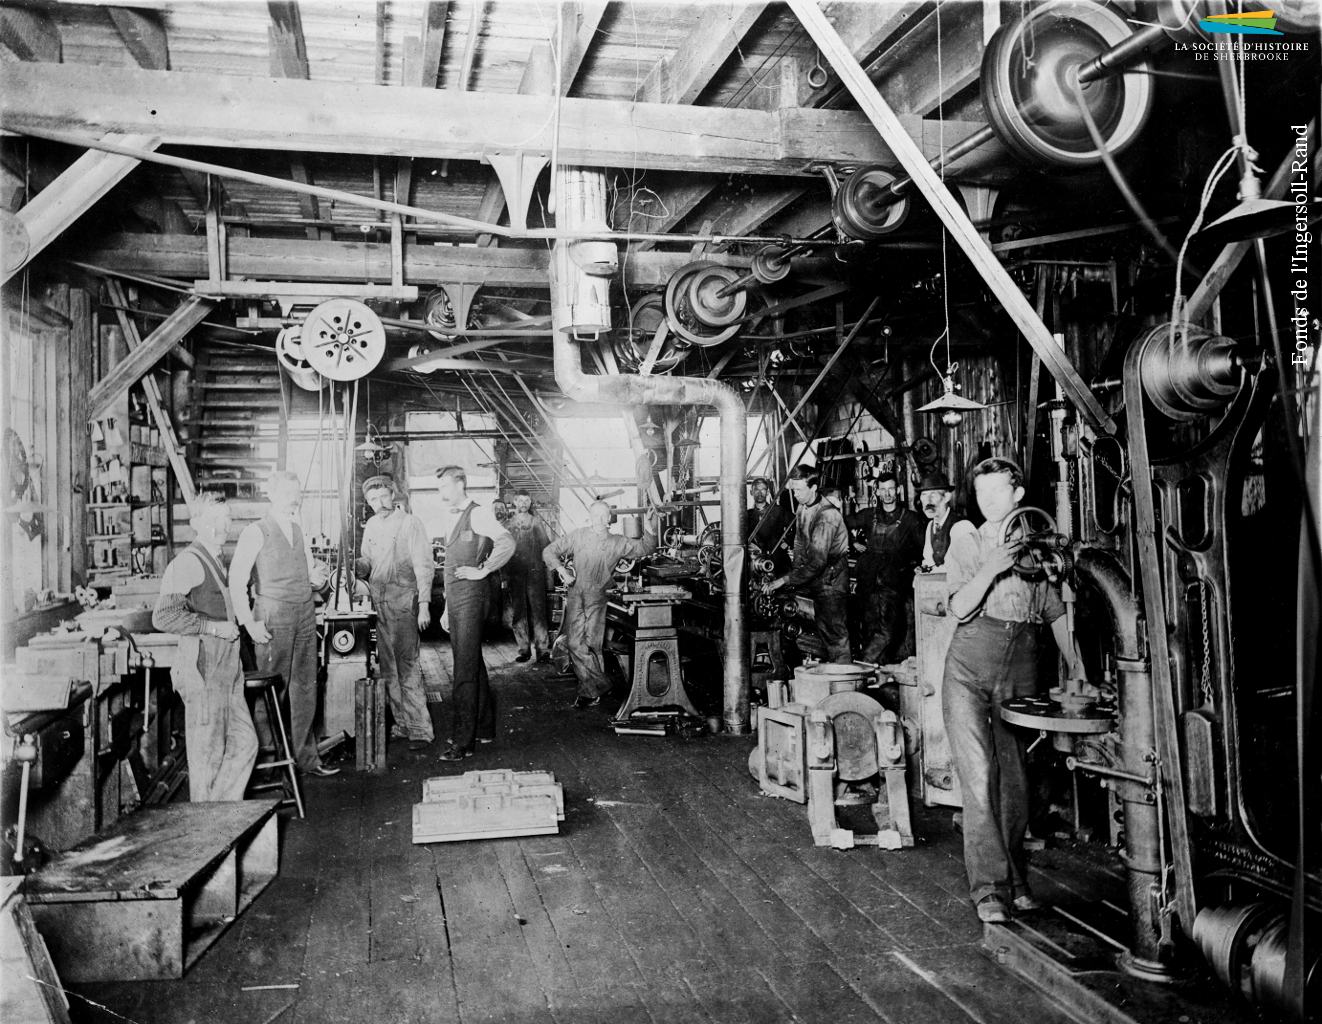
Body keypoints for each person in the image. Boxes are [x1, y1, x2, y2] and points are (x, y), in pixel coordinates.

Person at [942, 457, 1083, 924]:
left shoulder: (1036, 551)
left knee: (1016, 784)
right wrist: (990, 567)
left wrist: (1078, 667)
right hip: (968, 670)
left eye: (997, 492)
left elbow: (1056, 616)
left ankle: (1016, 878)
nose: (987, 502)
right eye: (980, 494)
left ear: (1018, 495)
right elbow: (960, 607)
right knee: (980, 781)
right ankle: (989, 891)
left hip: (1021, 670)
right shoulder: (967, 542)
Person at [230, 471, 338, 777]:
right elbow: (236, 580)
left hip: (304, 612)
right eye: (289, 492)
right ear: (271, 494)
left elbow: (306, 572)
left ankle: (308, 759)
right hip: (273, 615)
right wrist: (248, 622)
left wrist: (315, 576)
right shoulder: (256, 531)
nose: (295, 497)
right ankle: (264, 762)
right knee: (271, 688)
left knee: (306, 688)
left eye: (298, 491)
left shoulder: (297, 528)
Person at [153, 492, 257, 801]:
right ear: (196, 523)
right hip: (205, 663)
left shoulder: (218, 559)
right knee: (207, 758)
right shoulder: (188, 562)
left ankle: (220, 816)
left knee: (245, 742)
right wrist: (210, 626)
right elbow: (163, 616)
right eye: (213, 520)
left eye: (226, 519)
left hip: (227, 665)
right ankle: (206, 823)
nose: (222, 526)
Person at [543, 501, 657, 708]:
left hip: (597, 596)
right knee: (574, 643)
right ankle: (602, 685)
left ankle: (591, 693)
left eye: (604, 515)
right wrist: (562, 570)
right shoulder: (578, 535)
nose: (600, 519)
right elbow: (549, 551)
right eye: (596, 515)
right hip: (576, 593)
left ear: (609, 518)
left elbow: (645, 548)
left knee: (593, 644)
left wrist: (649, 528)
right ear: (589, 516)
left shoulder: (618, 542)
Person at [435, 466, 514, 760]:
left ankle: (462, 742)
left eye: (444, 486)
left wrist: (484, 571)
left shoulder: (478, 513)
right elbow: (450, 568)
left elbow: (507, 542)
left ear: (460, 484)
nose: (441, 492)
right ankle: (484, 728)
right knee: (471, 661)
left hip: (471, 597)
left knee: (463, 671)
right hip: (456, 598)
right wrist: (446, 607)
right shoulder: (451, 517)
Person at [355, 475, 435, 751]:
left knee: (407, 666)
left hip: (404, 603)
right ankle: (402, 723)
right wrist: (356, 566)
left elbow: (424, 566)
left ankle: (421, 729)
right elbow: (368, 561)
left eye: (383, 497)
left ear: (393, 493)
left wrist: (424, 604)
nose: (379, 503)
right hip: (379, 603)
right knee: (388, 668)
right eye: (372, 500)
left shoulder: (410, 523)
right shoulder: (373, 526)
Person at [763, 465, 852, 664]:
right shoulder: (804, 507)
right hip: (817, 575)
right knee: (820, 631)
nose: (795, 494)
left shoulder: (827, 516)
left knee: (835, 636)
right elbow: (800, 541)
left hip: (831, 580)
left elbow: (817, 563)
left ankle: (844, 686)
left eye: (799, 490)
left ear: (813, 488)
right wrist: (795, 571)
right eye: (793, 490)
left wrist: (784, 581)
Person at [852, 472, 926, 664]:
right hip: (868, 582)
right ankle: (874, 673)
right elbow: (842, 522)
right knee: (868, 626)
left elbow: (923, 550)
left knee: (888, 629)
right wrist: (852, 542)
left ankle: (864, 664)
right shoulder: (869, 515)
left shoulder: (911, 519)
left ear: (899, 490)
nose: (887, 494)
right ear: (877, 491)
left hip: (893, 582)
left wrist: (914, 566)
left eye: (891, 489)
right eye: (883, 489)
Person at [504, 490, 551, 663]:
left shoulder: (536, 522)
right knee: (519, 613)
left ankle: (543, 651)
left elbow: (546, 545)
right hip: (515, 575)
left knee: (539, 612)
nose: (524, 503)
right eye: (520, 500)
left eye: (527, 500)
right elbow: (502, 549)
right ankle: (524, 650)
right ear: (514, 502)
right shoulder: (508, 525)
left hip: (535, 573)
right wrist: (504, 575)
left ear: (530, 503)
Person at [917, 471, 975, 570]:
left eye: (933, 495)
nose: (928, 501)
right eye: (924, 495)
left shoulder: (961, 526)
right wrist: (924, 568)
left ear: (946, 497)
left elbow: (959, 569)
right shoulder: (931, 525)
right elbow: (929, 561)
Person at [746, 477, 793, 571]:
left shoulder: (778, 510)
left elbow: (795, 523)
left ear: (767, 492)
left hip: (778, 560)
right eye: (756, 490)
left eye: (763, 489)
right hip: (756, 563)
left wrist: (786, 543)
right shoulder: (747, 515)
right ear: (751, 492)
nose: (760, 493)